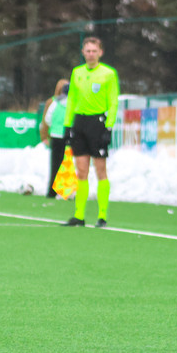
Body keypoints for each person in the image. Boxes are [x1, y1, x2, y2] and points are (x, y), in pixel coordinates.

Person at [61, 37, 120, 228]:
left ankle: (102, 215)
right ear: (83, 52)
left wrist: (108, 127)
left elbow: (113, 102)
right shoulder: (77, 72)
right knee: (81, 171)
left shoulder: (109, 74)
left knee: (100, 169)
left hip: (98, 123)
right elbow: (71, 99)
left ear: (100, 53)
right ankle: (79, 215)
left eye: (94, 51)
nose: (91, 54)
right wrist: (68, 125)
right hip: (80, 122)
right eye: (88, 51)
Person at [39, 78, 70, 198]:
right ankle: (66, 190)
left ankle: (52, 191)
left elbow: (47, 119)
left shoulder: (54, 102)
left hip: (55, 135)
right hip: (69, 136)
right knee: (68, 164)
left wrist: (46, 134)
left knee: (55, 164)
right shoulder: (74, 103)